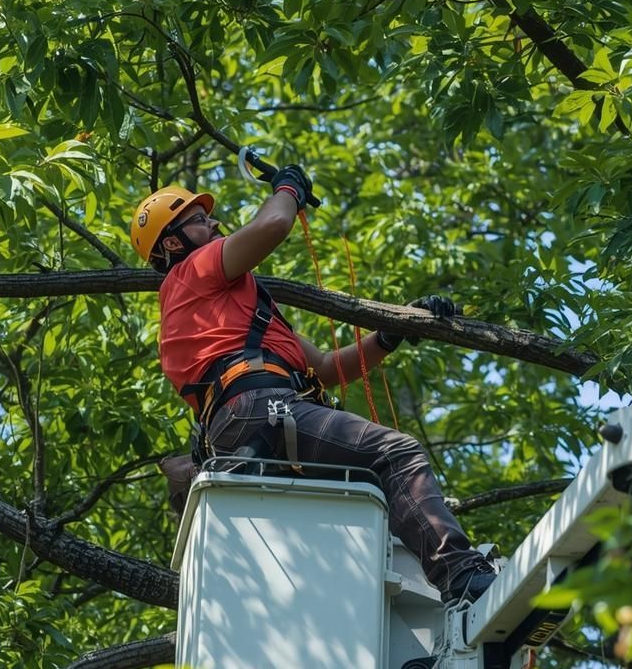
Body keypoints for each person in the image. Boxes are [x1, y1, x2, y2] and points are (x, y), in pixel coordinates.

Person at [130, 164, 497, 606]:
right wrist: (288, 187)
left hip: (250, 418)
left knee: (362, 499)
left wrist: (393, 332)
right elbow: (274, 222)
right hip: (260, 407)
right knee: (395, 453)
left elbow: (326, 368)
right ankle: (462, 576)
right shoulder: (194, 270)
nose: (214, 223)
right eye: (199, 220)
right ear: (173, 242)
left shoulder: (234, 319)